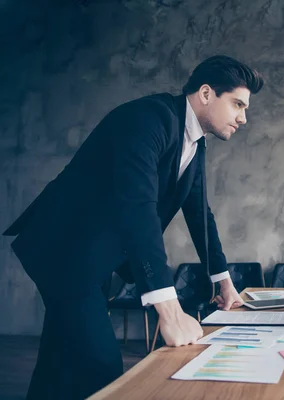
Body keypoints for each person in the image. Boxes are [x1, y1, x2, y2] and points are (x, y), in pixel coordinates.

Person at [3, 55, 264, 399]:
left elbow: (200, 213)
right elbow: (138, 208)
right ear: (205, 93)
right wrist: (168, 312)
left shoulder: (196, 142)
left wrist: (223, 280)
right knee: (104, 370)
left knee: (59, 362)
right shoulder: (146, 120)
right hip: (62, 252)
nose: (243, 118)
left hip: (91, 260)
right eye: (237, 105)